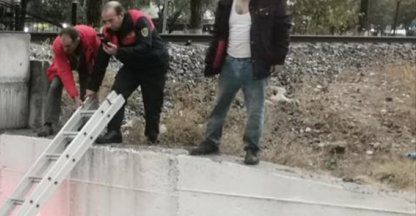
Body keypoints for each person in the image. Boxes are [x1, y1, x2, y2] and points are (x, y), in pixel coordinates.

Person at [188, 0, 291, 165]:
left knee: (255, 111)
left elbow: (283, 29)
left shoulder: (272, 3)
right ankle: (210, 142)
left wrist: (279, 59)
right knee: (219, 105)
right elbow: (219, 32)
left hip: (256, 64)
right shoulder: (226, 3)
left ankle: (252, 149)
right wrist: (212, 58)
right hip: (229, 63)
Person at [85, 1, 170, 145]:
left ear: (121, 15)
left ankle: (152, 137)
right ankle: (113, 132)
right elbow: (101, 61)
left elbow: (145, 47)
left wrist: (119, 51)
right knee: (116, 94)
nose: (108, 25)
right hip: (133, 65)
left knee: (152, 102)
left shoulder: (140, 20)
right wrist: (93, 87)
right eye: (105, 21)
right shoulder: (108, 32)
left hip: (154, 64)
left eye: (111, 20)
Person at [37, 25, 102, 137]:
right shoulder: (59, 45)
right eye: (64, 46)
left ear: (77, 40)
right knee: (55, 86)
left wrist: (95, 83)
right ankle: (49, 124)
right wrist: (74, 97)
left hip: (86, 61)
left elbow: (100, 57)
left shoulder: (90, 34)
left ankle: (86, 123)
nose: (65, 49)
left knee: (87, 91)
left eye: (68, 46)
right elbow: (65, 72)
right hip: (66, 63)